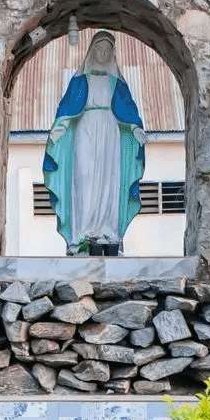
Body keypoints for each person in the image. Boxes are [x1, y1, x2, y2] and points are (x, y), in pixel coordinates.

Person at [41, 31, 146, 256]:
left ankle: (108, 232)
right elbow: (68, 108)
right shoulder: (80, 81)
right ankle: (80, 234)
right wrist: (59, 128)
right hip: (86, 128)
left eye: (107, 50)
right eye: (99, 49)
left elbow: (129, 110)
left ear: (112, 54)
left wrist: (136, 128)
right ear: (91, 51)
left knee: (109, 180)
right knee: (85, 178)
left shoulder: (116, 83)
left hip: (110, 131)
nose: (103, 53)